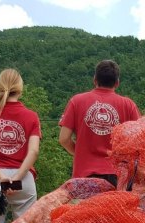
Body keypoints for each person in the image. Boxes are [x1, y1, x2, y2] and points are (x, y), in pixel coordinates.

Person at [58, 59, 140, 187]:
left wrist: (81, 153)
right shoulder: (128, 105)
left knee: (85, 207)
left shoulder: (76, 101)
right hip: (117, 178)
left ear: (95, 80)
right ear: (117, 83)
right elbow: (138, 143)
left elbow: (63, 139)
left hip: (83, 175)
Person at [0, 68, 41, 223]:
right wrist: (17, 178)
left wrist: (2, 178)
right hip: (24, 179)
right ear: (20, 88)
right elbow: (33, 152)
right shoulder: (31, 116)